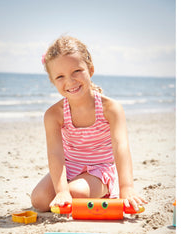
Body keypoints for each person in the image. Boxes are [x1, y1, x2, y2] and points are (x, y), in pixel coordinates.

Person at [31, 36, 147, 212]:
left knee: (76, 193)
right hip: (70, 168)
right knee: (39, 200)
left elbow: (121, 147)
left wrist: (127, 188)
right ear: (53, 81)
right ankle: (69, 188)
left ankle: (105, 189)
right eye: (60, 76)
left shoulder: (111, 108)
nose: (70, 81)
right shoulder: (53, 114)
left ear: (90, 69)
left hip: (100, 171)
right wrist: (61, 191)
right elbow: (55, 153)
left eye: (76, 71)